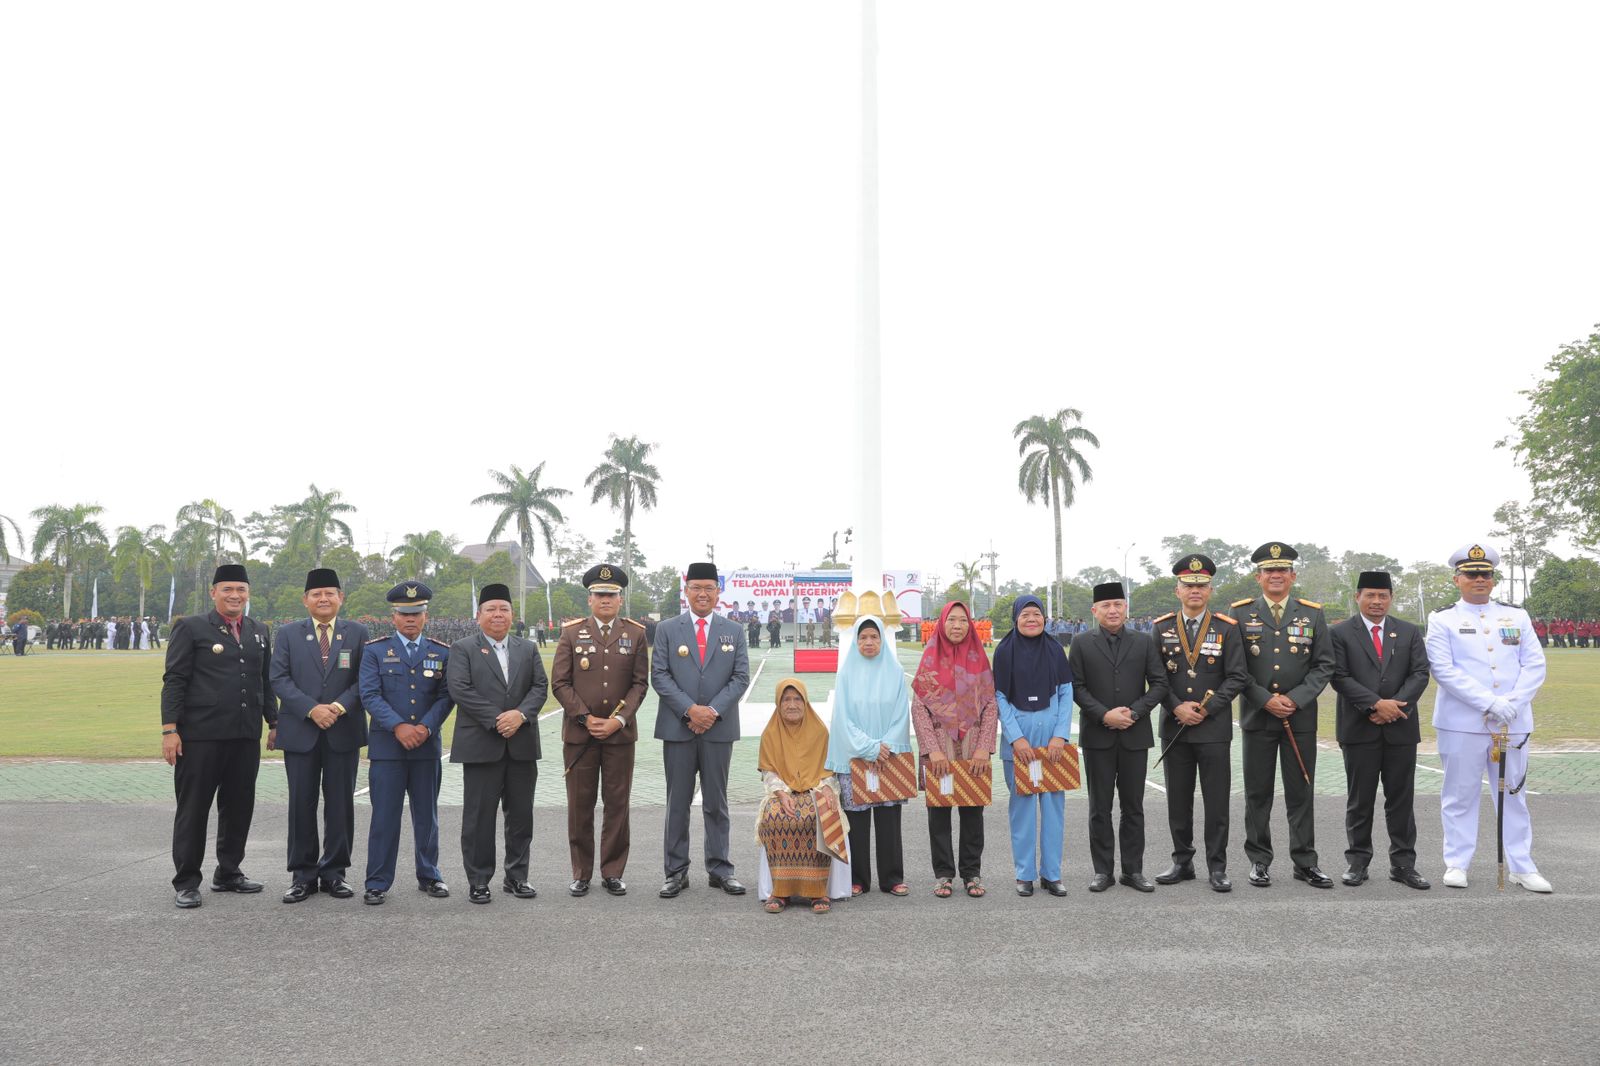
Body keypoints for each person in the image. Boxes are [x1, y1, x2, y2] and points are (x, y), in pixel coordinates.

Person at [1426, 544, 1551, 892]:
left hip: (1512, 721)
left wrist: (1512, 701)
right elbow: (1444, 670)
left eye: (1485, 574)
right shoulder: (1443, 618)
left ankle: (1521, 866)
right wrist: (1490, 702)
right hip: (1462, 722)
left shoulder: (1517, 616)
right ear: (1457, 579)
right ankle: (1457, 862)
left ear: (1493, 579)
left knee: (1513, 793)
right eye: (1471, 574)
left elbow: (1534, 664)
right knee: (1459, 794)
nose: (1479, 579)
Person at [160, 564, 275, 909]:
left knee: (239, 806)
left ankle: (228, 871)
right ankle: (186, 881)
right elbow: (175, 680)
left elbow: (264, 681)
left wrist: (275, 721)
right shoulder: (191, 627)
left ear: (248, 593)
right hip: (200, 737)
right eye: (227, 589)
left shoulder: (259, 630)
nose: (235, 595)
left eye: (241, 589)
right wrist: (170, 730)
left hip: (244, 735)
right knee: (193, 809)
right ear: (213, 593)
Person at [1231, 542, 1335, 889]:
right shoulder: (1240, 613)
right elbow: (1236, 667)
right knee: (1257, 794)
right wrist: (1263, 699)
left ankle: (1305, 861)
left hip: (1299, 718)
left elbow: (1324, 665)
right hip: (1258, 717)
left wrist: (1296, 698)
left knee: (1300, 791)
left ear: (1292, 575)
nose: (1276, 576)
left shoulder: (1312, 613)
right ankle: (1259, 860)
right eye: (1268, 571)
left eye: (1282, 570)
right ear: (1258, 576)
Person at [269, 568, 369, 903]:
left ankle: (335, 873)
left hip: (343, 730)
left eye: (330, 593)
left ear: (341, 597)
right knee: (301, 804)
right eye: (316, 594)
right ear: (305, 600)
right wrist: (312, 709)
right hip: (301, 731)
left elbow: (364, 680)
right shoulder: (287, 634)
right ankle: (302, 876)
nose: (323, 599)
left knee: (341, 804)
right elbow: (279, 678)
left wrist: (338, 707)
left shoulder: (357, 633)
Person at [652, 562, 750, 898]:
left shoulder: (733, 631)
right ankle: (676, 872)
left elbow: (740, 678)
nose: (703, 593)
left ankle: (720, 868)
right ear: (686, 591)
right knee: (677, 802)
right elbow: (660, 675)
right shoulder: (667, 629)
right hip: (678, 729)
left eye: (709, 587)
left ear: (718, 592)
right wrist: (689, 710)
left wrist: (711, 712)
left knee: (716, 802)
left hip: (718, 729)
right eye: (696, 587)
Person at [446, 582, 547, 903]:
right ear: (479, 616)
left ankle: (517, 877)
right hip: (481, 745)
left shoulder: (527, 648)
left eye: (504, 609)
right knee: (478, 818)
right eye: (491, 609)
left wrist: (519, 715)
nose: (498, 614)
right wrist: (498, 718)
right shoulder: (463, 648)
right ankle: (479, 880)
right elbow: (460, 689)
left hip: (521, 745)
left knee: (520, 816)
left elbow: (539, 688)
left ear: (512, 614)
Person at [1153, 554, 1248, 892]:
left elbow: (1237, 677)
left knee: (1216, 800)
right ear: (1177, 590)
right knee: (1178, 799)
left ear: (1210, 589)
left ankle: (1217, 866)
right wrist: (1177, 707)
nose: (1195, 591)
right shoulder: (1160, 627)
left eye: (1201, 586)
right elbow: (1156, 677)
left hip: (1213, 728)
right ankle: (1182, 861)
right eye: (1188, 586)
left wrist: (1207, 709)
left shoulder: (1227, 627)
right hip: (1175, 727)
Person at [1330, 571, 1431, 889]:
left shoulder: (1409, 631)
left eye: (1383, 595)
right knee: (1359, 800)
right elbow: (1339, 676)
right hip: (1359, 728)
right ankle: (1357, 862)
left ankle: (1403, 864)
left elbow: (1420, 672)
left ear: (1391, 598)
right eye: (1370, 595)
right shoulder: (1341, 632)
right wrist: (1375, 704)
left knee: (1401, 799)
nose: (1376, 601)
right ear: (1357, 597)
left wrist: (1393, 707)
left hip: (1400, 728)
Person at [553, 564, 649, 897]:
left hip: (620, 735)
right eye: (599, 594)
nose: (605, 600)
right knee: (580, 805)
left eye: (612, 595)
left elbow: (640, 684)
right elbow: (560, 682)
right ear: (589, 599)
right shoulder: (570, 633)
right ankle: (581, 872)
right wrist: (585, 717)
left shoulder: (636, 634)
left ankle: (612, 872)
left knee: (617, 804)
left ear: (620, 599)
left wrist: (617, 720)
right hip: (580, 735)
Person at [357, 581, 454, 905]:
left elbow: (445, 696)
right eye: (404, 613)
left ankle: (430, 875)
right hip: (388, 749)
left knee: (427, 817)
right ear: (393, 616)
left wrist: (424, 727)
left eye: (417, 613)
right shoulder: (374, 651)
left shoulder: (441, 652)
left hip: (426, 747)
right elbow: (370, 694)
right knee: (384, 817)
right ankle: (377, 881)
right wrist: (399, 726)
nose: (410, 619)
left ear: (426, 616)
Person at [1070, 581, 1168, 893]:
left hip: (1134, 736)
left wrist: (1135, 712)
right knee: (1100, 807)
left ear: (1125, 608)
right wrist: (1104, 714)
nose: (1113, 610)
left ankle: (1133, 871)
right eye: (1106, 605)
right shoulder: (1082, 642)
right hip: (1098, 736)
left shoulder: (1143, 641)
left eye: (1118, 604)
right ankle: (1103, 871)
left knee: (1133, 807)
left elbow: (1159, 683)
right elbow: (1076, 687)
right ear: (1094, 610)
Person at [910, 601, 997, 899]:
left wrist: (984, 748)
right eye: (952, 620)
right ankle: (944, 874)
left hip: (973, 749)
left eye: (963, 621)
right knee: (940, 814)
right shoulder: (930, 658)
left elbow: (990, 704)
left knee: (973, 813)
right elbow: (919, 707)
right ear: (942, 623)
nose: (957, 626)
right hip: (940, 750)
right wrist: (932, 750)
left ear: (970, 625)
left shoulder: (980, 659)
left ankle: (972, 873)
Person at [827, 614, 913, 896]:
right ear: (856, 640)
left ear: (882, 639)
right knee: (858, 822)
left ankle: (892, 878)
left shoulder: (895, 671)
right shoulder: (846, 673)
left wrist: (884, 746)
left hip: (888, 757)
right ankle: (858, 878)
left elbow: (901, 714)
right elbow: (843, 718)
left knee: (889, 820)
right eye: (863, 637)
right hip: (856, 758)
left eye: (874, 636)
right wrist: (869, 748)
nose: (868, 642)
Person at [995, 594, 1074, 897]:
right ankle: (1024, 874)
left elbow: (1066, 693)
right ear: (1016, 619)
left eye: (1037, 615)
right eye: (1025, 614)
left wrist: (1060, 735)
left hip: (1052, 744)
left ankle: (1052, 874)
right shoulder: (1004, 652)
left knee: (1054, 809)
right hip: (1020, 746)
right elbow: (999, 697)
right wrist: (1016, 738)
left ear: (1045, 619)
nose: (1032, 619)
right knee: (1023, 809)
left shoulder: (1055, 650)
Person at [757, 677, 849, 913]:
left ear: (806, 702)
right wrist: (780, 792)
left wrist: (827, 788)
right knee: (775, 816)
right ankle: (780, 891)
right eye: (786, 699)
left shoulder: (819, 731)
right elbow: (767, 771)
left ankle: (818, 892)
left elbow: (830, 770)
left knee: (818, 813)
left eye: (797, 699)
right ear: (778, 703)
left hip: (815, 789)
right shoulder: (770, 733)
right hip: (784, 792)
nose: (792, 704)